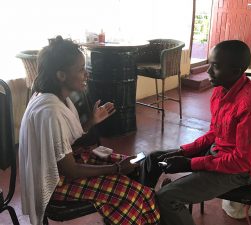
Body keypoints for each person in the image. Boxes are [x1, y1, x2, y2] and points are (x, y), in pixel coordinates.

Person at [18, 36, 160, 225]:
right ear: (61, 75)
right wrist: (116, 169)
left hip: (63, 168)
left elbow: (64, 141)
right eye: (80, 69)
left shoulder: (56, 96)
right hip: (54, 184)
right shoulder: (50, 111)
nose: (86, 74)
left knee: (133, 167)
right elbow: (71, 171)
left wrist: (91, 121)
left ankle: (131, 215)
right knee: (135, 192)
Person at [139, 40, 251, 225]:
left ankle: (162, 209)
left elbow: (241, 161)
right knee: (153, 159)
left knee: (168, 197)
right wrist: (183, 151)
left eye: (215, 66)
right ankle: (142, 212)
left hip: (240, 170)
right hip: (219, 153)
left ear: (237, 70)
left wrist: (190, 163)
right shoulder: (219, 91)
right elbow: (214, 134)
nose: (208, 71)